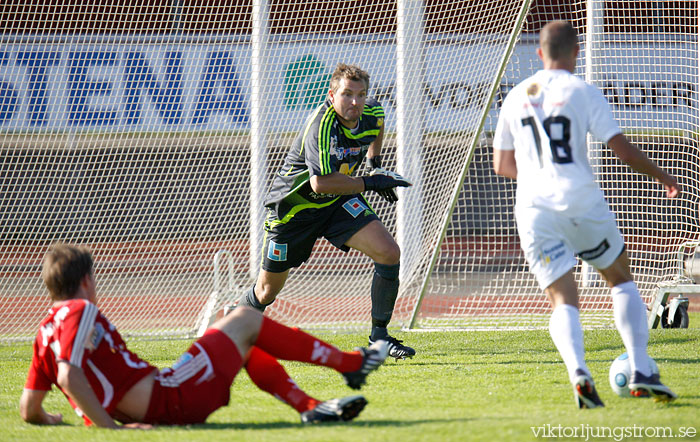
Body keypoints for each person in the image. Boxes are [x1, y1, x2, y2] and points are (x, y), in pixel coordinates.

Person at [492, 20, 680, 408]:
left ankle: (579, 373)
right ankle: (642, 367)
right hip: (581, 200)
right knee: (619, 278)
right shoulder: (582, 91)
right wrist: (663, 176)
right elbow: (622, 150)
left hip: (534, 209)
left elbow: (501, 164)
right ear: (577, 52)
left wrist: (537, 178)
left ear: (540, 53)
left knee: (563, 299)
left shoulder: (514, 96)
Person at [20, 243, 389, 428]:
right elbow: (70, 373)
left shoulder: (44, 332)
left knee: (228, 322)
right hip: (171, 395)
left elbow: (28, 410)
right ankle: (352, 364)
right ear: (86, 281)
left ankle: (310, 409)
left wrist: (55, 420)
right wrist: (111, 429)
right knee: (243, 318)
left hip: (167, 395)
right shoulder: (79, 309)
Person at [237, 63, 415, 360]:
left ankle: (380, 338)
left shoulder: (370, 113)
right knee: (266, 291)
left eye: (361, 94)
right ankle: (229, 332)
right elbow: (320, 183)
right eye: (347, 94)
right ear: (331, 95)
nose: (355, 102)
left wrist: (374, 161)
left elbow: (379, 120)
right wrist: (370, 182)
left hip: (337, 203)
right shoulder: (321, 126)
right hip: (295, 211)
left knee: (388, 252)